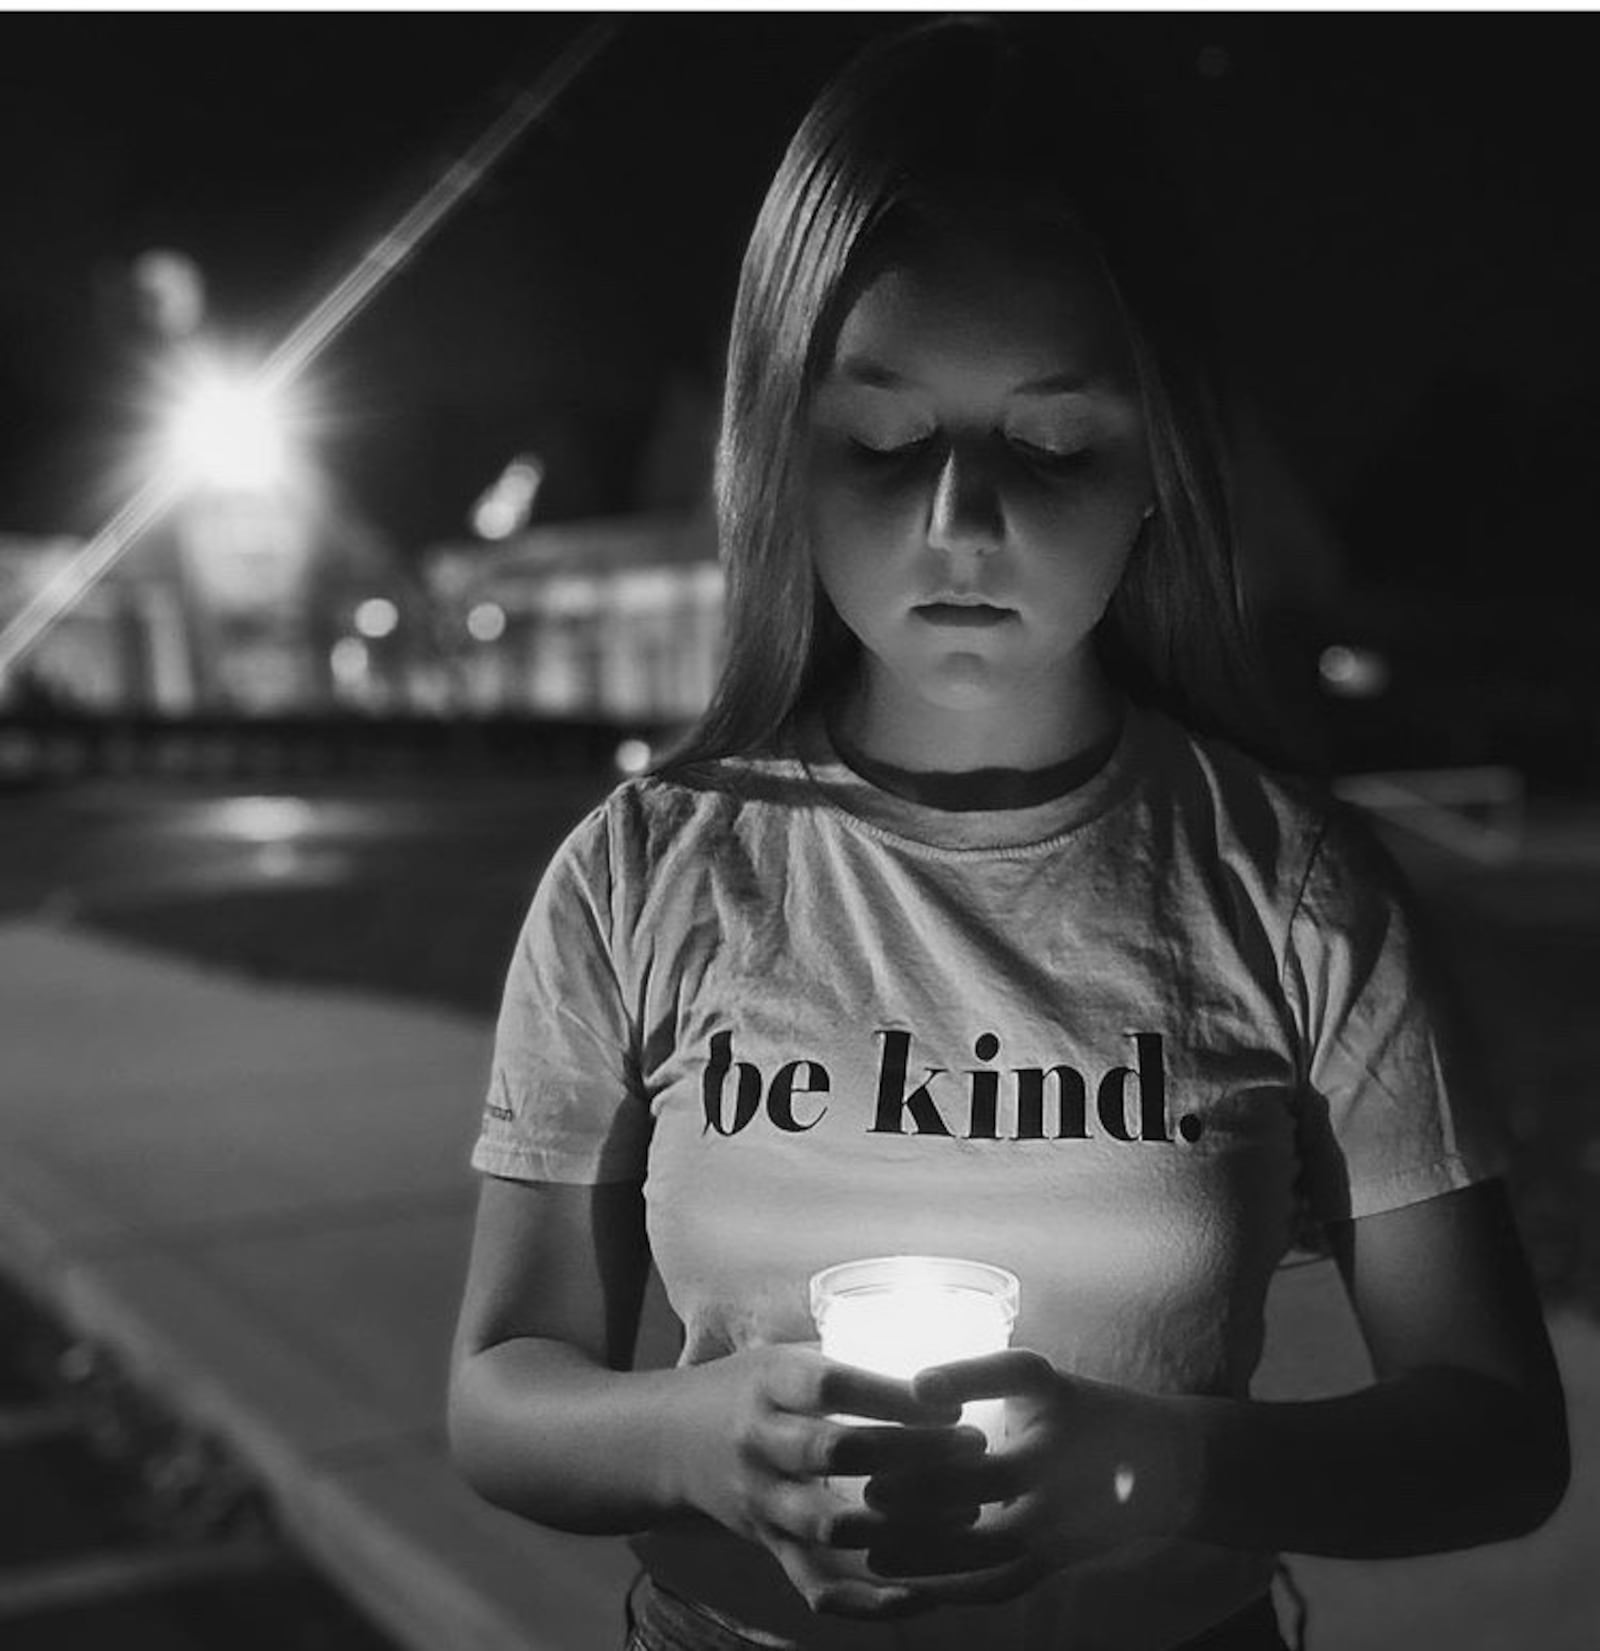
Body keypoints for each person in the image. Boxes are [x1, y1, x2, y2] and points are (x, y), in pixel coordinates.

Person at [447, 20, 1569, 1651]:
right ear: (778, 452)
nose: (961, 519)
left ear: (1161, 462)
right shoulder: (643, 874)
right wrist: (705, 1440)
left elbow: (1496, 1435)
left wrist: (1158, 1467)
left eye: (1052, 441)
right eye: (886, 438)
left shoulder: (1293, 892)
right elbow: (498, 1397)